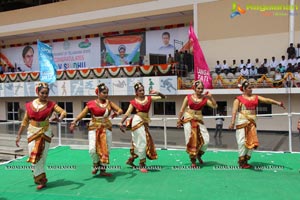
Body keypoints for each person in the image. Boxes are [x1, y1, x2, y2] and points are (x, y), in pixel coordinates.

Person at [15, 82, 67, 190]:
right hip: (32, 132)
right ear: (37, 92)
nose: (44, 95)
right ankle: (38, 175)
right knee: (33, 155)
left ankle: (42, 179)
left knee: (41, 156)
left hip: (45, 133)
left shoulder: (51, 105)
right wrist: (19, 135)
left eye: (46, 93)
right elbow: (25, 121)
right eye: (42, 93)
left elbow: (63, 112)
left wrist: (60, 119)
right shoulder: (29, 105)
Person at [228, 80, 285, 169]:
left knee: (252, 142)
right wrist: (232, 122)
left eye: (251, 88)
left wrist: (278, 103)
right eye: (249, 88)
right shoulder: (238, 99)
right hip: (242, 122)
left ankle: (245, 160)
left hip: (252, 123)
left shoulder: (255, 97)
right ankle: (241, 161)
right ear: (244, 89)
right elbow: (234, 111)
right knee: (242, 142)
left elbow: (266, 100)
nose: (251, 89)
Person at [69, 83, 123, 176]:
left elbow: (120, 110)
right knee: (92, 150)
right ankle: (95, 164)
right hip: (94, 128)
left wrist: (116, 113)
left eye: (107, 93)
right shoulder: (91, 104)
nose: (106, 94)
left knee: (106, 149)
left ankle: (103, 170)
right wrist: (74, 121)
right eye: (104, 93)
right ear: (98, 93)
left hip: (106, 128)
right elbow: (83, 114)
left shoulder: (109, 103)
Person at [119, 82, 166, 173]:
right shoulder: (133, 102)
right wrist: (121, 122)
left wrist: (157, 92)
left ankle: (131, 159)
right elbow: (127, 113)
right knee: (142, 142)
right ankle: (142, 164)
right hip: (137, 121)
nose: (142, 92)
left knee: (140, 142)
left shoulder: (149, 99)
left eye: (143, 90)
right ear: (136, 92)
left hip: (144, 123)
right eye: (140, 90)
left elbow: (163, 97)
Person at [177, 80, 217, 168]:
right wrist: (179, 120)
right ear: (194, 88)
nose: (200, 90)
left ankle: (198, 154)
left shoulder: (204, 99)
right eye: (198, 88)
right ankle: (193, 160)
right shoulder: (188, 97)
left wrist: (211, 97)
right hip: (188, 119)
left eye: (202, 88)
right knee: (191, 140)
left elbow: (215, 106)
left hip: (198, 119)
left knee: (206, 139)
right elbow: (181, 109)